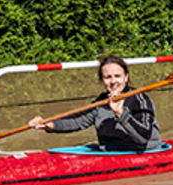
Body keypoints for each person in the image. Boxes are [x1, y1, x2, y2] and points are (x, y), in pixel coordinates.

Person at [28, 55, 163, 151]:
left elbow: (143, 137)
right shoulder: (100, 102)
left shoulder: (140, 100)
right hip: (110, 153)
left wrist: (120, 113)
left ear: (126, 77)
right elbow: (77, 122)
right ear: (102, 80)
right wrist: (49, 125)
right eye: (107, 77)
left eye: (117, 76)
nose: (113, 81)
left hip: (143, 152)